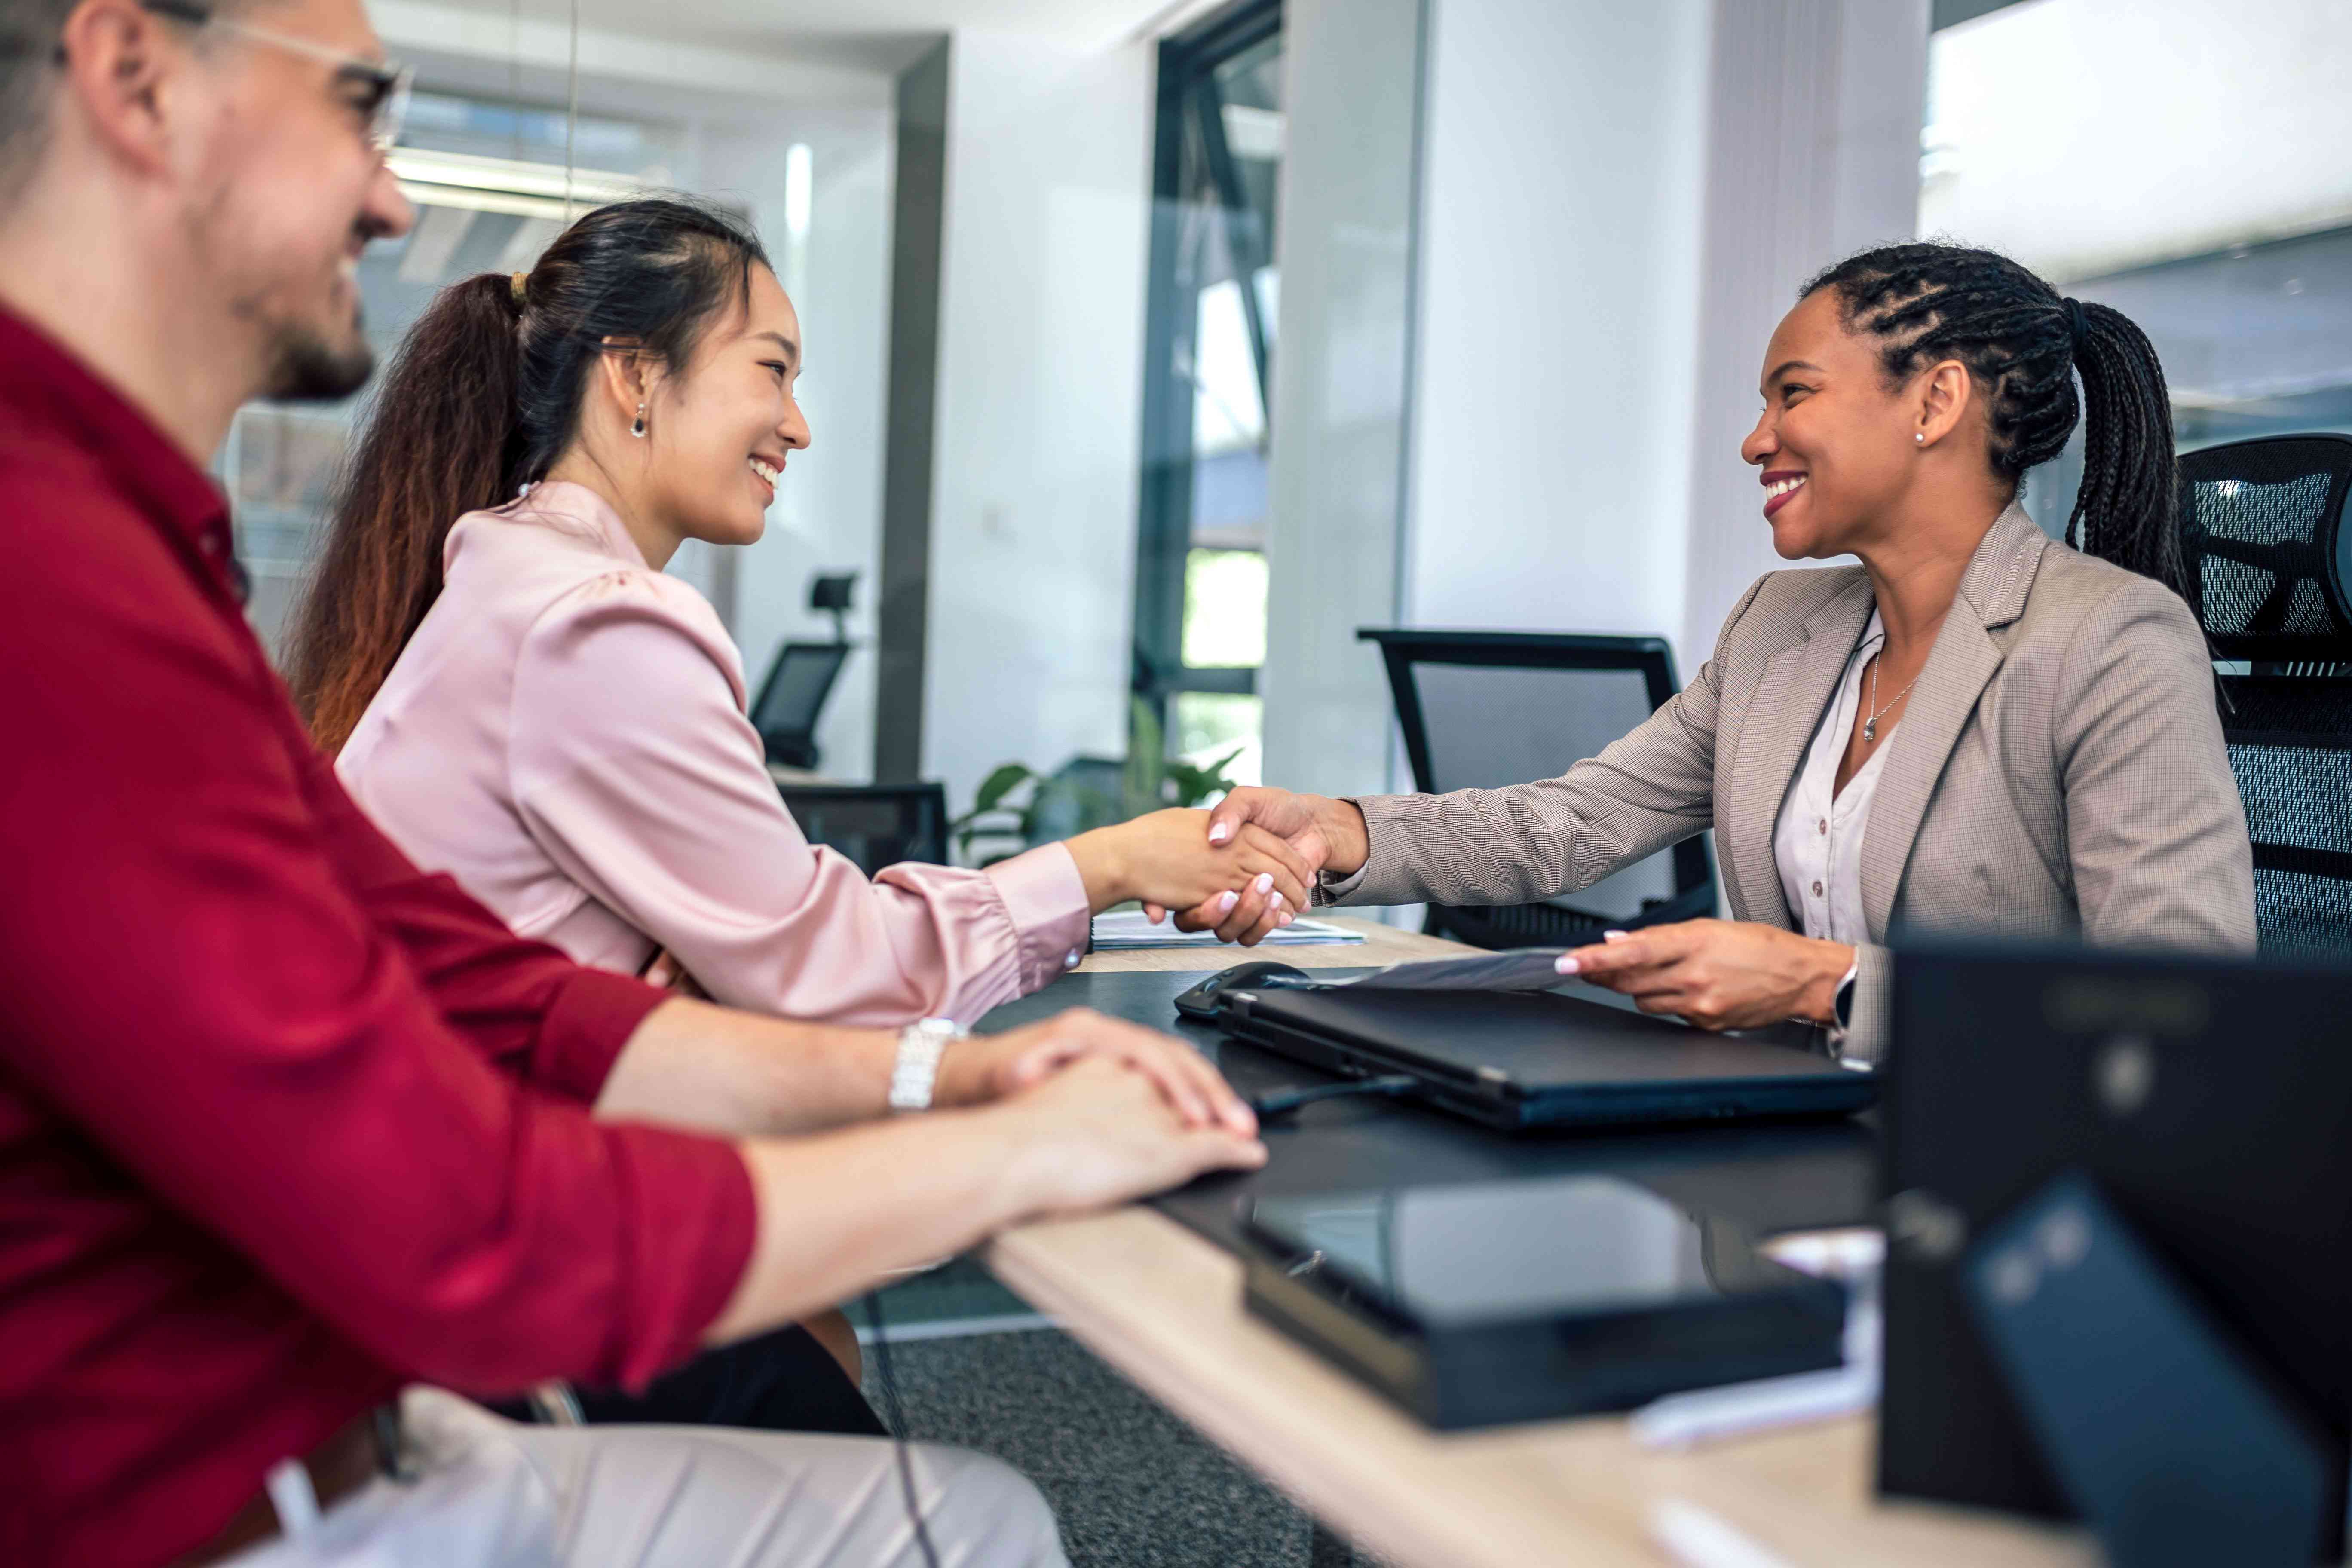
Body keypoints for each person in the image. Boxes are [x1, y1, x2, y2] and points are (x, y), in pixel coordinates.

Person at [0, 2, 1265, 1565]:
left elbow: (501, 995)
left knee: (867, 1426)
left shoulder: (147, 552)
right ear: (133, 76)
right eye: (356, 107)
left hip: (324, 1387)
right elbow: (473, 1203)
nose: (391, 195)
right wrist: (1010, 1137)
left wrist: (943, 1082)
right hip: (221, 1480)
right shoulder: (67, 580)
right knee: (964, 1512)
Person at [1168, 241, 2255, 1061]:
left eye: (1795, 393)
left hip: (2007, 1190)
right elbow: (1574, 820)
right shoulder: (1781, 627)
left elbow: (2187, 1011)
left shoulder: (2112, 642)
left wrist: (1825, 984)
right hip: (1788, 1147)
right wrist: (1341, 830)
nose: (1756, 438)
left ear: (1935, 400)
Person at [286, 196, 1312, 1034]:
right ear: (636, 374)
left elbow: (768, 955)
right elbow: (838, 979)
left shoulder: (509, 572)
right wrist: (1116, 861)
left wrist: (712, 962)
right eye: (771, 369)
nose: (799, 426)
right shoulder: (596, 625)